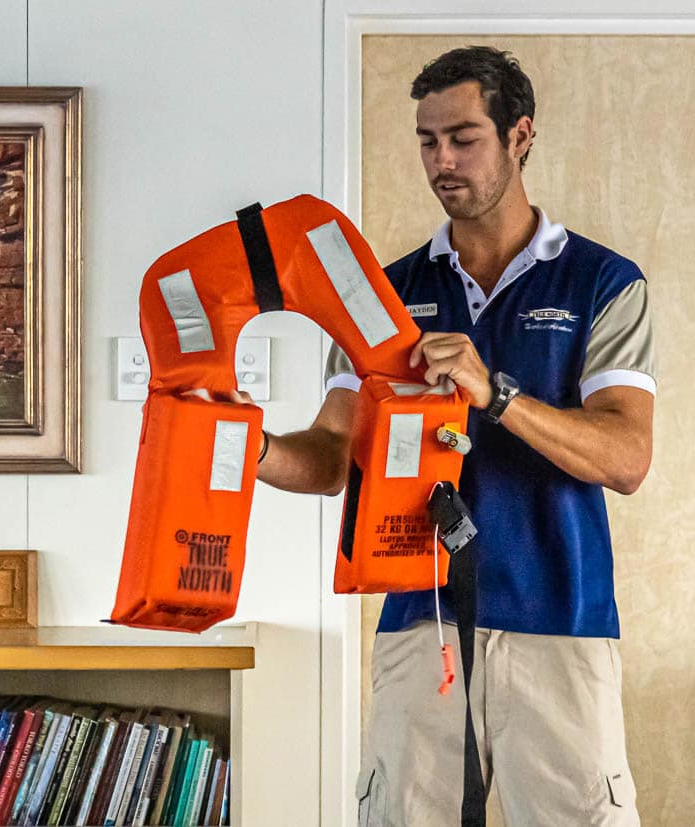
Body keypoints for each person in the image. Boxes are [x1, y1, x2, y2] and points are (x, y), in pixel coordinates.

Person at [252, 46, 654, 824]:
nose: (442, 160)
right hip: (420, 628)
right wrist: (250, 445)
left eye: (463, 137)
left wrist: (496, 395)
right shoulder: (385, 293)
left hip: (561, 627)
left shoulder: (603, 283)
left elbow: (627, 456)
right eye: (427, 140)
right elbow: (334, 456)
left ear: (520, 135)